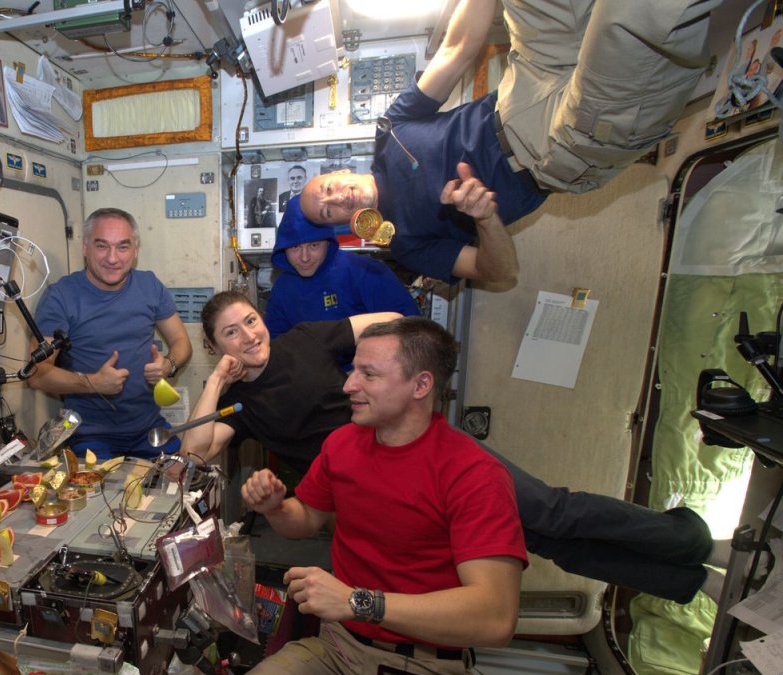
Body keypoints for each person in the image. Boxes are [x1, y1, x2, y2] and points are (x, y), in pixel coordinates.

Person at [180, 291, 714, 603]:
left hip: (426, 448)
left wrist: (413, 378)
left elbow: (395, 327)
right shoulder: (241, 405)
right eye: (230, 333)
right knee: (535, 540)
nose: (249, 335)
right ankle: (681, 578)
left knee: (550, 508)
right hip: (375, 486)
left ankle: (689, 539)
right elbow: (196, 452)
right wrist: (216, 384)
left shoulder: (306, 339)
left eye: (250, 320)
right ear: (214, 345)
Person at [299, 0, 718, 286]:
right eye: (329, 211)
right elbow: (499, 272)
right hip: (553, 151)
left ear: (336, 171)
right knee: (629, 23)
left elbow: (457, 49)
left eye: (327, 189)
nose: (337, 199)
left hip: (522, 84)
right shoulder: (407, 244)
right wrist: (484, 219)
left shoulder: (390, 129)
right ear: (343, 225)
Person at [243, 316, 526, 673]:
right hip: (337, 647)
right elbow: (306, 518)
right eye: (353, 370)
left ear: (421, 385)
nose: (349, 385)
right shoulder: (342, 443)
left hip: (420, 660)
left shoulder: (475, 476)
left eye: (369, 374)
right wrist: (276, 508)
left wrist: (357, 602)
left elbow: (495, 619)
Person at [27, 207, 192, 459]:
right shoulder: (61, 297)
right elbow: (36, 374)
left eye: (123, 247)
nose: (113, 258)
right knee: (103, 497)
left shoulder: (149, 286)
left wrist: (168, 365)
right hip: (89, 435)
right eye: (102, 246)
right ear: (85, 248)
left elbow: (181, 342)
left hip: (148, 429)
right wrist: (93, 383)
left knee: (185, 483)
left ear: (135, 250)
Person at [265, 195, 419, 340]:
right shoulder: (282, 288)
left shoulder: (367, 272)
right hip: (310, 367)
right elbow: (277, 344)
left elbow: (412, 330)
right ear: (283, 248)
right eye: (295, 247)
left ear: (328, 242)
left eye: (314, 245)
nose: (304, 257)